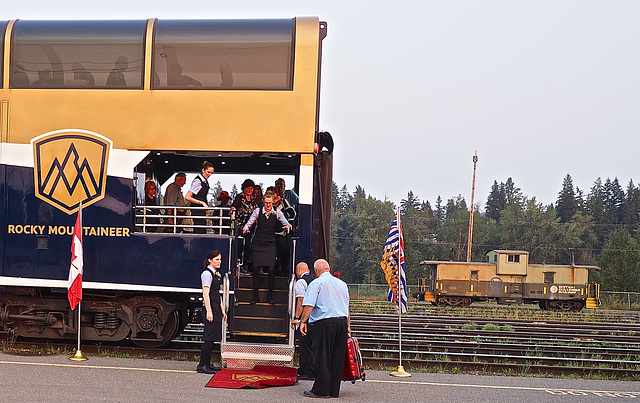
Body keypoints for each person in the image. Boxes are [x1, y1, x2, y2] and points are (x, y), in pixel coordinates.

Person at [300, 259, 350, 398]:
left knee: (322, 356)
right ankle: (334, 390)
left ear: (316, 271)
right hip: (341, 322)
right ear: (328, 268)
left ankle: (321, 390)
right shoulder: (342, 284)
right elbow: (346, 307)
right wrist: (348, 325)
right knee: (337, 357)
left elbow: (309, 305)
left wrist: (303, 321)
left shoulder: (316, 283)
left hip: (324, 323)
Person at [243, 192, 290, 304]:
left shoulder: (277, 212)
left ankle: (270, 295)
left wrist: (287, 226)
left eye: (270, 203)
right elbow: (249, 222)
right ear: (263, 202)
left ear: (273, 202)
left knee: (272, 269)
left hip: (270, 243)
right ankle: (255, 296)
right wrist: (246, 228)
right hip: (258, 243)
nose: (268, 205)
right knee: (255, 269)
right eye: (266, 203)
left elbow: (286, 223)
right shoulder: (258, 211)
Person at [197, 250, 227, 374]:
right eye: (216, 259)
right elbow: (206, 293)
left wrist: (222, 309)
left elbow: (216, 294)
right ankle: (202, 365)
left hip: (215, 306)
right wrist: (209, 311)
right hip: (210, 307)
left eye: (220, 259)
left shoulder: (216, 274)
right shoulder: (207, 274)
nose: (219, 262)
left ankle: (207, 364)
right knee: (209, 337)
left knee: (213, 336)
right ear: (210, 260)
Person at [290, 262, 315, 381]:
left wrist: (296, 317)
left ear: (298, 271)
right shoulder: (315, 280)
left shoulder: (301, 282)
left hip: (305, 317)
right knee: (311, 344)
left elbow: (301, 300)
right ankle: (308, 368)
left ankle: (307, 371)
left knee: (304, 344)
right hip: (314, 317)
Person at [231, 179, 257, 271]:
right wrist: (233, 209)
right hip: (240, 225)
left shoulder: (253, 198)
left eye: (251, 188)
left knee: (248, 246)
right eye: (248, 188)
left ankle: (245, 264)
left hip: (250, 226)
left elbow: (256, 210)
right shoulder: (239, 197)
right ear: (244, 188)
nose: (250, 190)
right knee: (239, 245)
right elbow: (234, 205)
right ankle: (238, 264)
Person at [269, 185, 295, 276]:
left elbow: (292, 213)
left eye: (273, 193)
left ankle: (284, 270)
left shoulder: (283, 202)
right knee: (272, 253)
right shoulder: (267, 204)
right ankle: (273, 271)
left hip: (282, 232)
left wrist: (288, 224)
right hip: (270, 232)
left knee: (283, 252)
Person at [185, 161, 214, 234]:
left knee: (202, 230)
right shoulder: (198, 181)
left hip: (201, 210)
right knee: (199, 230)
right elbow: (187, 197)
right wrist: (201, 203)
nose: (209, 174)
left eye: (211, 173)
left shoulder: (205, 181)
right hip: (197, 209)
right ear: (203, 170)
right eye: (208, 172)